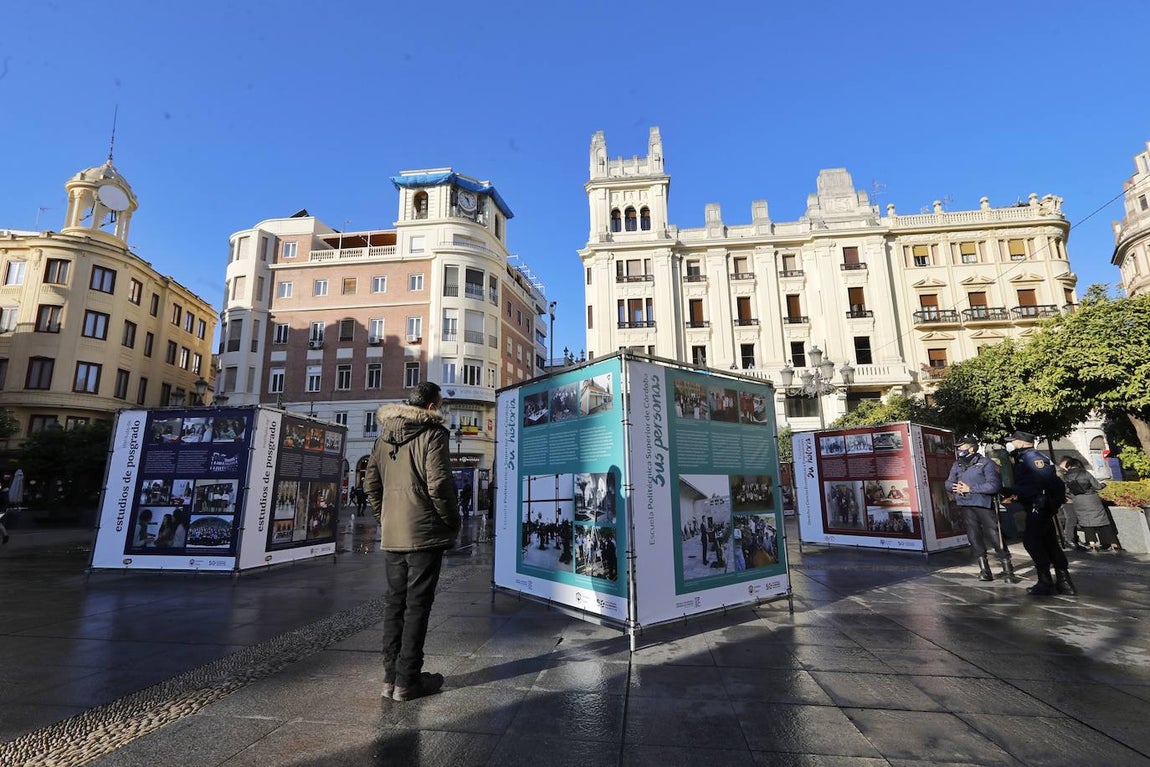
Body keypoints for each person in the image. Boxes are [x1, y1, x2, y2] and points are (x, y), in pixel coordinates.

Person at [363, 381, 459, 702]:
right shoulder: (433, 435)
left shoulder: (381, 438)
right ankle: (408, 681)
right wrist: (451, 522)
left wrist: (385, 519)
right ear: (431, 407)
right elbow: (440, 486)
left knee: (395, 605)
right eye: (440, 405)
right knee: (417, 607)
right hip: (424, 535)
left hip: (392, 537)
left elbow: (371, 487)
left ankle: (390, 679)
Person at [1008, 430, 1074, 597]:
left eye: (1014, 441)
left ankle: (1046, 581)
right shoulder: (1025, 457)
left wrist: (1049, 502)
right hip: (1037, 504)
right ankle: (1063, 582)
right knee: (1049, 542)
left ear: (1022, 443)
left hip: (1038, 505)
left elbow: (1050, 481)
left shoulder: (1032, 458)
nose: (1011, 444)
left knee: (1032, 541)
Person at [946, 434, 1017, 582]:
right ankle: (984, 569)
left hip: (984, 504)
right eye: (958, 448)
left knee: (994, 535)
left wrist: (970, 489)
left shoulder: (986, 463)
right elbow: (948, 482)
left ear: (971, 448)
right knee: (974, 537)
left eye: (962, 447)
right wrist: (953, 487)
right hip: (966, 505)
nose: (959, 450)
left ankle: (1007, 569)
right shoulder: (957, 465)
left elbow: (993, 485)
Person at [1061, 456, 1121, 552]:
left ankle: (1092, 544)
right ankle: (1113, 543)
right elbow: (1097, 486)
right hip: (1092, 500)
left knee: (1086, 522)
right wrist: (1104, 484)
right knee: (1103, 521)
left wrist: (1074, 496)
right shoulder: (1085, 473)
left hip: (1078, 501)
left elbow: (1065, 491)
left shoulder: (1066, 476)